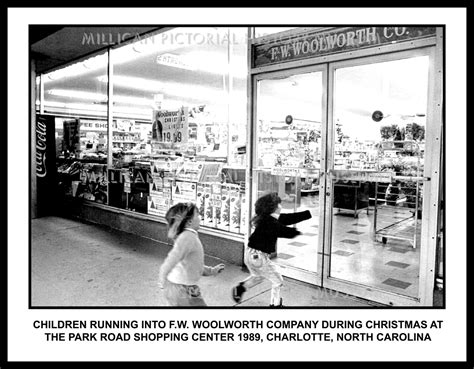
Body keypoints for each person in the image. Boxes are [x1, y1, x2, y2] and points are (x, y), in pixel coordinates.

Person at [232, 192, 312, 307]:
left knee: (257, 277)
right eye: (279, 204)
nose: (281, 206)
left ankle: (240, 289)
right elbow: (283, 231)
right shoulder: (270, 222)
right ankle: (275, 305)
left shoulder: (267, 218)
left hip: (250, 254)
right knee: (278, 280)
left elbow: (288, 219)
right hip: (258, 256)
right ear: (273, 207)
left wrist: (307, 214)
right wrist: (297, 232)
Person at [158, 202, 225, 306]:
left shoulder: (190, 236)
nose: (200, 218)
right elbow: (172, 259)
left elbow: (193, 264)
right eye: (197, 215)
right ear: (189, 222)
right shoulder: (187, 237)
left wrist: (211, 271)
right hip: (181, 289)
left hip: (185, 288)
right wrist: (162, 278)